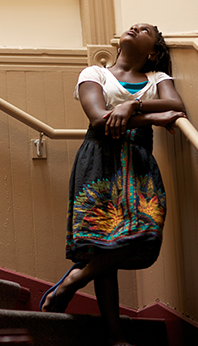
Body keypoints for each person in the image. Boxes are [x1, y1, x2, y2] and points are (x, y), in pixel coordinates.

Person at [39, 23, 186, 346]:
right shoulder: (94, 73)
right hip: (98, 159)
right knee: (105, 242)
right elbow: (97, 118)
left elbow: (176, 106)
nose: (135, 27)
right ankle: (116, 336)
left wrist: (132, 105)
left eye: (144, 29)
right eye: (134, 25)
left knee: (147, 231)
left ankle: (71, 282)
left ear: (152, 51)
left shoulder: (157, 79)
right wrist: (149, 117)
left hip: (139, 162)